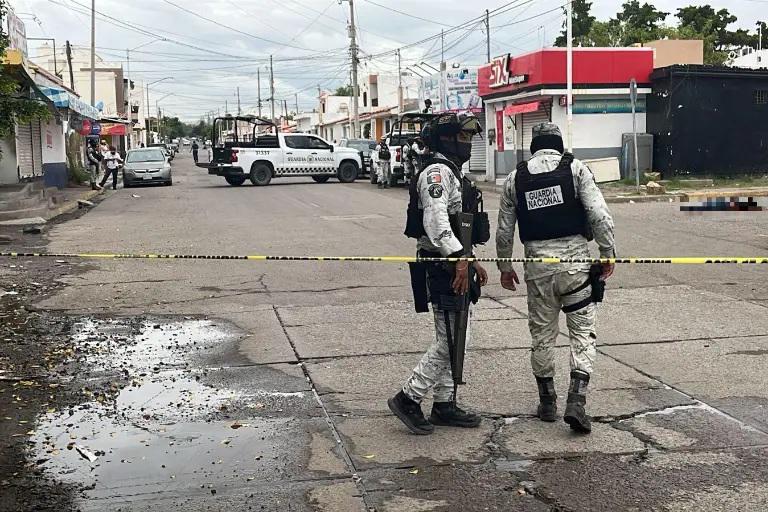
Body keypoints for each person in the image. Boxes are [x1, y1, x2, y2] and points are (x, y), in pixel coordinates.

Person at [496, 122, 616, 434]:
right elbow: (599, 215)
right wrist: (607, 252)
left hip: (537, 271)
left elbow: (504, 229)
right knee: (583, 333)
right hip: (575, 269)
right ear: (559, 144)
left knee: (542, 335)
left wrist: (504, 267)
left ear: (534, 146)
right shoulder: (576, 169)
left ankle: (547, 401)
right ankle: (576, 400)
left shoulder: (515, 178)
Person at [388, 112, 489, 435]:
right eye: (463, 137)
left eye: (470, 137)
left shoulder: (453, 172)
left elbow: (458, 225)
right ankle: (409, 397)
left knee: (456, 336)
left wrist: (470, 260)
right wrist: (459, 258)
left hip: (454, 262)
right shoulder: (437, 172)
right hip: (441, 264)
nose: (468, 143)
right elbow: (436, 221)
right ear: (446, 139)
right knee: (451, 339)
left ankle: (444, 403)